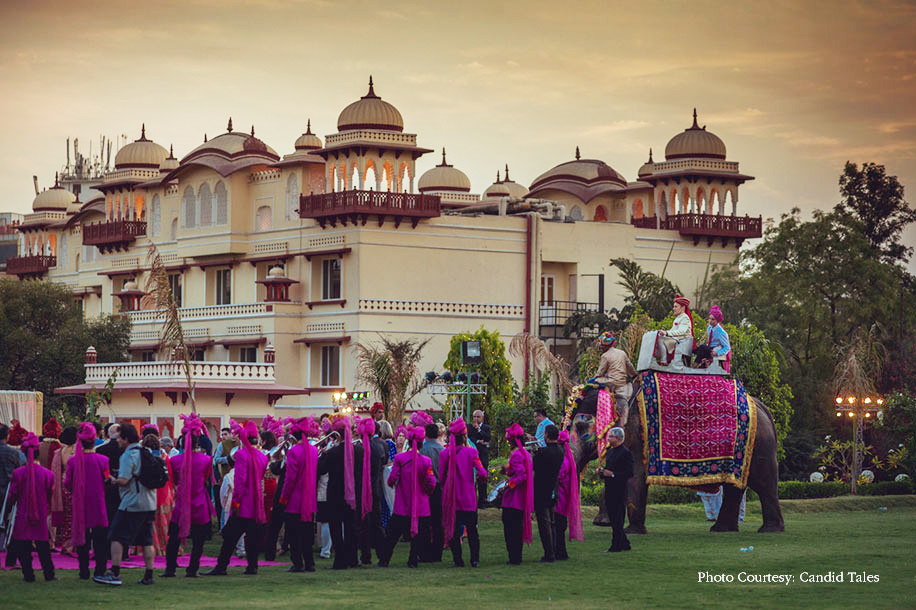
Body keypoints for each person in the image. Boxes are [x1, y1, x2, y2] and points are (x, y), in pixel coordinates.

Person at [94, 423, 156, 586]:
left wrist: (112, 480)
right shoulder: (146, 451)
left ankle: (114, 573)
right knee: (147, 540)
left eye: (119, 438)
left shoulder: (128, 455)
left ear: (126, 439)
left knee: (116, 536)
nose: (117, 441)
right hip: (150, 502)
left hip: (132, 502)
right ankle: (149, 575)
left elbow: (124, 480)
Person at [204, 420, 267, 576]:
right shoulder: (262, 456)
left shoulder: (241, 455)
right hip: (256, 503)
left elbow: (240, 481)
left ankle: (221, 567)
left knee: (230, 537)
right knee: (251, 538)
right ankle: (252, 566)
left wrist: (236, 502)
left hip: (243, 503)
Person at [162, 413, 214, 578]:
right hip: (199, 502)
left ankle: (170, 569)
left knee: (173, 538)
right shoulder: (206, 460)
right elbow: (207, 478)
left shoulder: (174, 460)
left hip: (182, 503)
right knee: (198, 540)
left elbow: (174, 481)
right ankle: (192, 569)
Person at [378, 427, 436, 568]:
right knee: (419, 536)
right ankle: (413, 560)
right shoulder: (426, 461)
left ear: (408, 442)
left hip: (402, 505)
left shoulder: (400, 458)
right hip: (421, 506)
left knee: (392, 535)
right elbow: (431, 482)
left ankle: (384, 560)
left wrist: (394, 484)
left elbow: (392, 478)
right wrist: (427, 491)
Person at [7, 432, 56, 582]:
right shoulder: (48, 474)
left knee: (23, 546)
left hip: (23, 512)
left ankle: (28, 575)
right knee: (43, 546)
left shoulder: (18, 473)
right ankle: (49, 574)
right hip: (40, 512)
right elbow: (50, 494)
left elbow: (13, 494)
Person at [65, 422, 111, 580]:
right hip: (98, 503)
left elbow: (67, 483)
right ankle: (100, 570)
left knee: (82, 538)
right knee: (100, 539)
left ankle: (83, 570)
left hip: (80, 503)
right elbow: (107, 480)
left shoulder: (73, 461)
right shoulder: (103, 460)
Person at [440, 418, 486, 567]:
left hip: (451, 497)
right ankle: (475, 560)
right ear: (464, 436)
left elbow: (441, 477)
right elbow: (482, 472)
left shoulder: (444, 454)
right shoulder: (472, 452)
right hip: (468, 498)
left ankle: (458, 561)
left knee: (453, 530)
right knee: (472, 530)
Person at [317, 415, 362, 570]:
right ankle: (352, 559)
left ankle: (340, 560)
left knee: (335, 527)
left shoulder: (333, 452)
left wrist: (323, 453)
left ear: (337, 435)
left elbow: (321, 469)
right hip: (352, 493)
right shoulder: (359, 451)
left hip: (335, 493)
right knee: (351, 527)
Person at [279, 417, 319, 573]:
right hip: (309, 498)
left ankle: (297, 563)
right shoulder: (314, 451)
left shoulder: (293, 451)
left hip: (294, 500)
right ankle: (310, 563)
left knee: (294, 533)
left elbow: (290, 479)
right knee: (307, 533)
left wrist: (284, 497)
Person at [357, 418, 388, 566]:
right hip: (376, 488)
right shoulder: (381, 446)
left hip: (362, 489)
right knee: (377, 522)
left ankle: (366, 555)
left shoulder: (358, 448)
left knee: (363, 524)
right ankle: (382, 555)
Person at [501, 423, 533, 565]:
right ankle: (516, 556)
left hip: (513, 499)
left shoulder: (516, 455)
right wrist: (507, 470)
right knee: (516, 529)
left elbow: (522, 475)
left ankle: (514, 557)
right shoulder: (525, 454)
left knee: (511, 529)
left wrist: (509, 485)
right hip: (520, 498)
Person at [589, 332, 637, 426]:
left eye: (602, 346)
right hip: (622, 382)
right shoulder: (622, 353)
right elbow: (630, 367)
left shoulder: (605, 356)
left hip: (611, 383)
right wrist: (634, 376)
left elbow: (599, 373)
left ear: (605, 346)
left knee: (594, 380)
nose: (601, 347)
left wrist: (593, 379)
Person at [532, 424, 564, 563]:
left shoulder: (544, 452)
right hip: (553, 488)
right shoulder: (560, 450)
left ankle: (549, 553)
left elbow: (534, 465)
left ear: (546, 435)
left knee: (544, 523)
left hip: (541, 489)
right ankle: (554, 551)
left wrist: (536, 452)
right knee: (552, 522)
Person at [599, 427, 633, 553]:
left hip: (619, 489)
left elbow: (629, 472)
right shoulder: (610, 452)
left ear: (618, 438)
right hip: (609, 488)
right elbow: (608, 470)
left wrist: (613, 474)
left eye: (610, 436)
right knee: (613, 517)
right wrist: (602, 472)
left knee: (617, 518)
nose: (608, 439)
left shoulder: (625, 453)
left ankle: (616, 545)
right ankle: (624, 543)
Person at [554, 430, 583, 560]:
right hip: (564, 496)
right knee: (560, 525)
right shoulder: (568, 459)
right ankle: (560, 551)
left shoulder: (564, 461)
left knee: (558, 525)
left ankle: (560, 552)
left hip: (561, 496)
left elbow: (558, 476)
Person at [419, 421, 444, 562]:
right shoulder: (442, 450)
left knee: (425, 521)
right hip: (439, 487)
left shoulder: (423, 450)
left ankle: (425, 551)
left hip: (426, 488)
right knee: (438, 521)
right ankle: (437, 552)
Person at [51, 425, 77, 554]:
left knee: (67, 516)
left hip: (62, 483)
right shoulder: (77, 450)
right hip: (73, 484)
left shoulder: (60, 451)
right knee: (74, 516)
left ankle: (67, 543)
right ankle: (71, 545)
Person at [96, 424, 124, 526]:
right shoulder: (125, 449)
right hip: (123, 485)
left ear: (108, 434)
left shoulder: (100, 449)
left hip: (106, 485)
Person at [658, 294, 695, 365]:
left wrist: (667, 333)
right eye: (674, 306)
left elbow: (681, 331)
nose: (673, 309)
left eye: (676, 307)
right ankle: (661, 359)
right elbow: (673, 330)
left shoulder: (685, 318)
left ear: (683, 307)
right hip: (677, 340)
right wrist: (664, 333)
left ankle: (664, 360)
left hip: (682, 341)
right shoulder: (678, 318)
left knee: (661, 340)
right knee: (659, 338)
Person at [467, 410, 491, 508]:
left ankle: (482, 502)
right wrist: (478, 441)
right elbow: (469, 439)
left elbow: (488, 438)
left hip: (483, 456)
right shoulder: (469, 427)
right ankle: (471, 501)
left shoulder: (486, 427)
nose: (476, 419)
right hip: (472, 456)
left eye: (478, 417)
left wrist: (479, 430)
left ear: (482, 418)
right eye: (474, 417)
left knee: (483, 480)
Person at [706, 305, 732, 372]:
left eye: (712, 319)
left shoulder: (721, 332)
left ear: (717, 320)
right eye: (709, 318)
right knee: (700, 348)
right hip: (709, 348)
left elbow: (727, 347)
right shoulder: (709, 328)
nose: (710, 321)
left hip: (716, 349)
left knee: (707, 350)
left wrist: (718, 352)